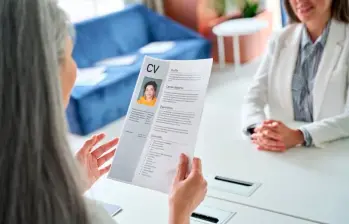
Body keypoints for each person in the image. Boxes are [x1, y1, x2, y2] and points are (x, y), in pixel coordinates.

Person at [0, 0, 207, 224]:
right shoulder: (86, 217)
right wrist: (181, 212)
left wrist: (69, 187)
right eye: (71, 55)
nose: (75, 69)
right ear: (48, 77)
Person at [242, 0, 349, 151]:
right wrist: (260, 129)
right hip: (283, 154)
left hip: (334, 154)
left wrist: (300, 135)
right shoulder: (280, 38)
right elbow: (253, 97)